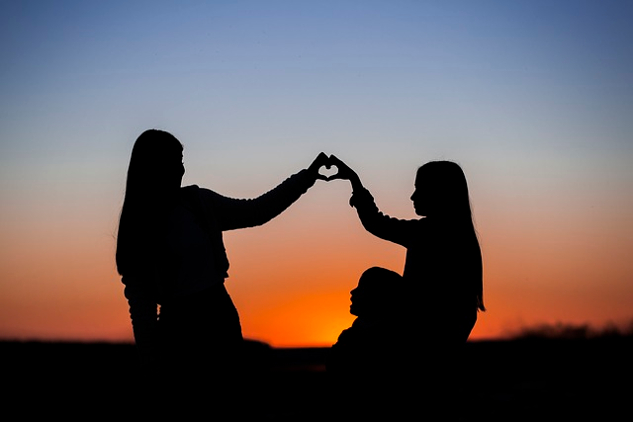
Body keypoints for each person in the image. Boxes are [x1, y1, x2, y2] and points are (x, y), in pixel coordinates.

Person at [115, 129, 330, 409]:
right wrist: (152, 368)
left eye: (182, 159)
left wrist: (306, 177)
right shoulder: (138, 228)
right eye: (175, 160)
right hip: (180, 335)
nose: (182, 167)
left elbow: (256, 211)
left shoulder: (198, 202)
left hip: (220, 320)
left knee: (231, 409)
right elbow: (141, 310)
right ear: (154, 166)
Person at [328, 155, 485, 414]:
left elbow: (376, 223)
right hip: (435, 334)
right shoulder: (459, 235)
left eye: (419, 189)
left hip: (425, 334)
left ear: (439, 193)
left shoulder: (430, 233)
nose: (412, 197)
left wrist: (355, 183)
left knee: (374, 281)